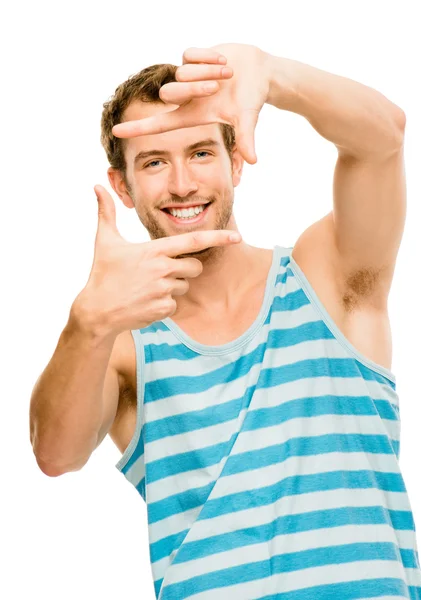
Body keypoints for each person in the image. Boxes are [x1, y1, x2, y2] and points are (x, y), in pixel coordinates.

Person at [30, 43, 421, 599]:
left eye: (201, 152)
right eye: (155, 161)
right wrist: (87, 321)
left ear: (236, 161)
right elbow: (55, 454)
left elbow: (385, 140)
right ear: (123, 185)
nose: (183, 183)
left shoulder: (328, 276)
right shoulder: (119, 342)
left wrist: (274, 74)